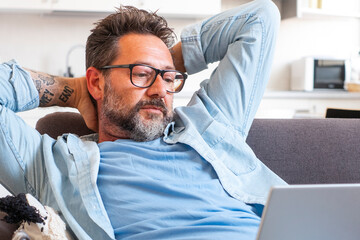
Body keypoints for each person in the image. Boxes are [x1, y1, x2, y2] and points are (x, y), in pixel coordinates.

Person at [0, 0, 286, 239]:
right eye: (141, 74)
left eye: (169, 78)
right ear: (97, 83)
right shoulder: (52, 165)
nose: (161, 90)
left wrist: (164, 62)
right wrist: (72, 91)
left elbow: (261, 18)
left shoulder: (208, 126)